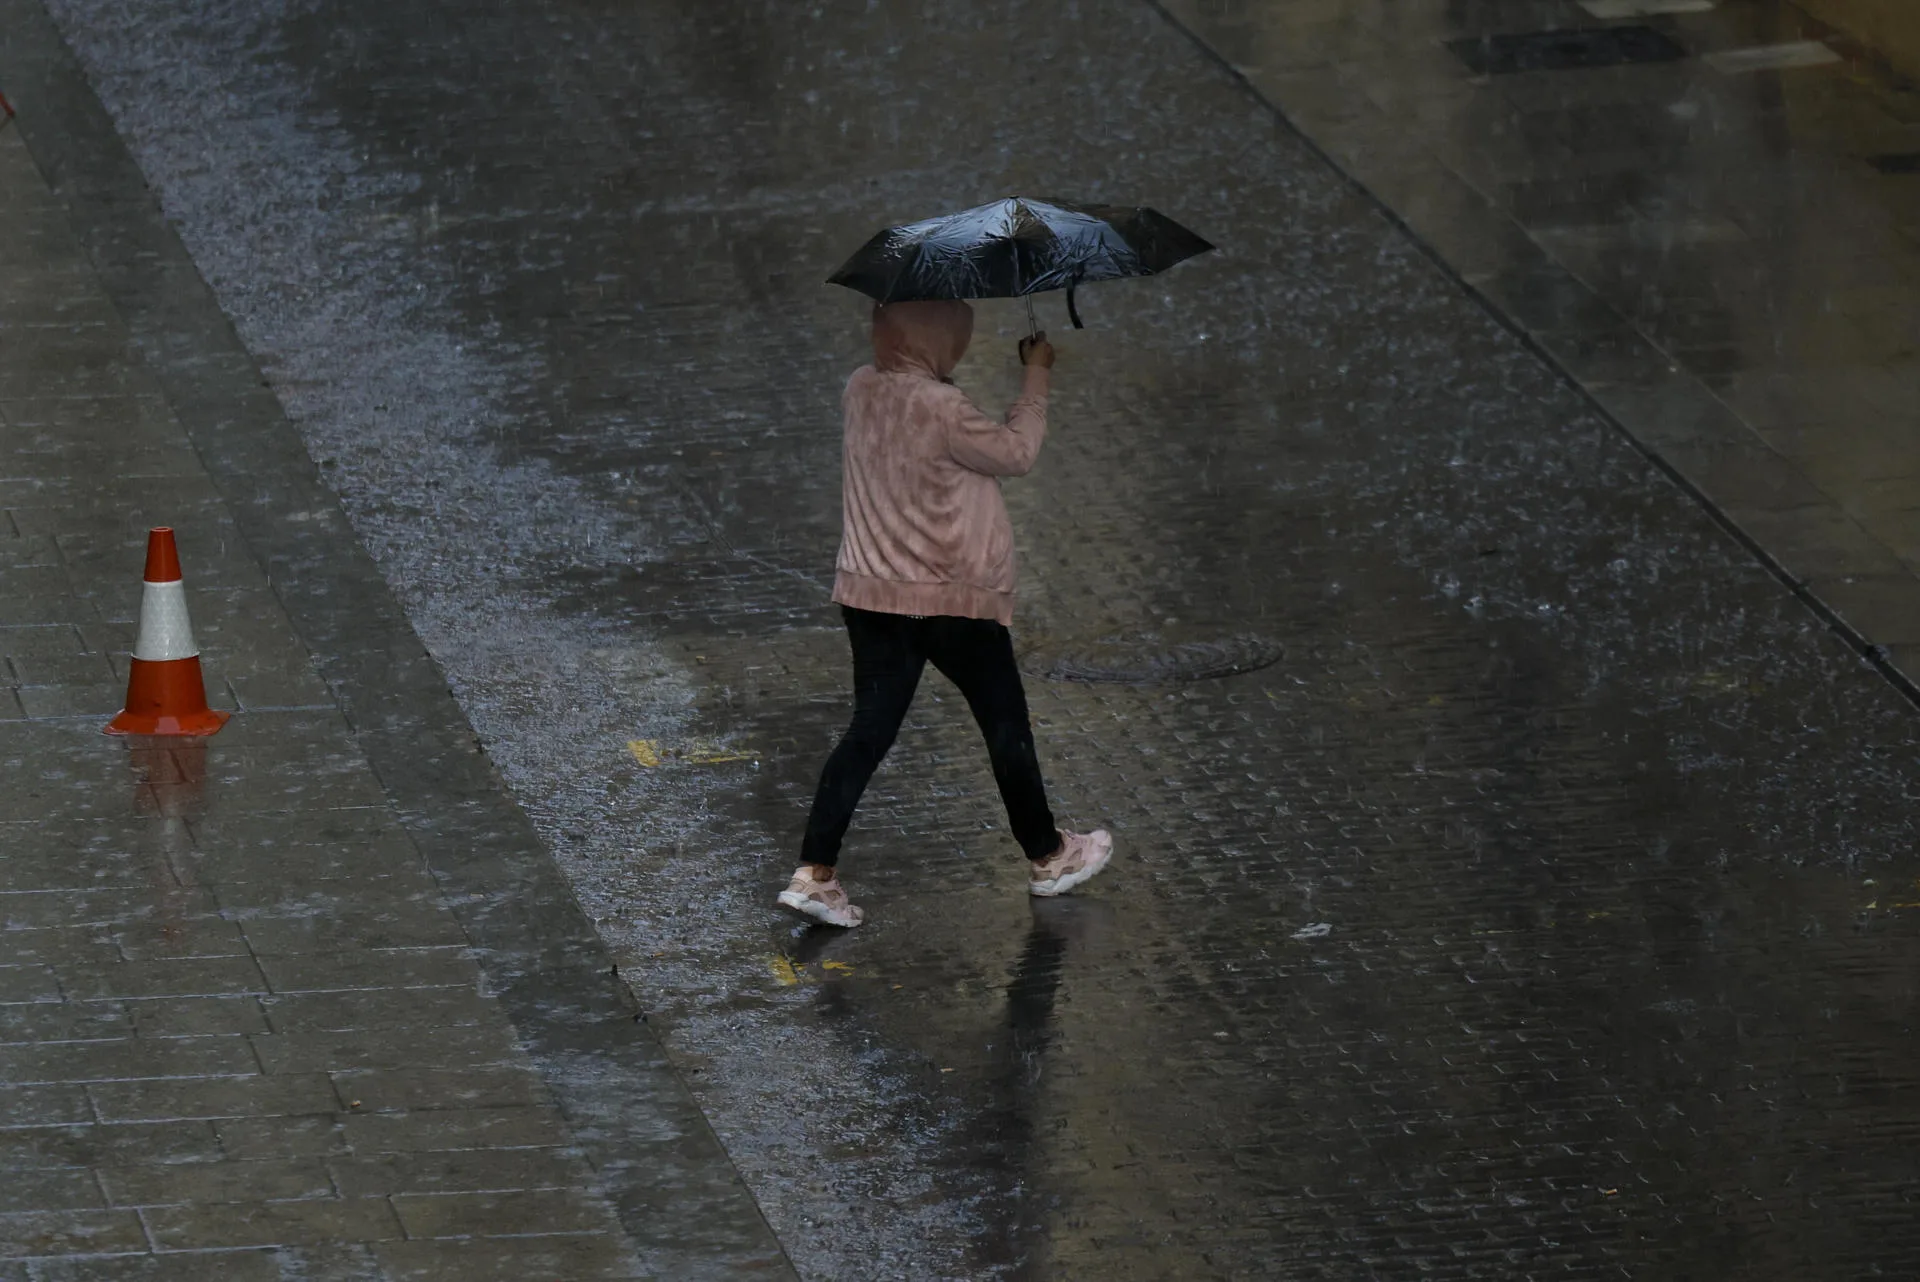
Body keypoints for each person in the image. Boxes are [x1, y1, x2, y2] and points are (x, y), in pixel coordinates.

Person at [779, 299, 1113, 929]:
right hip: (951, 598)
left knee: (867, 734)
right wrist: (1035, 372)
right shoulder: (943, 407)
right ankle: (1047, 855)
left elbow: (910, 433)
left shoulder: (860, 386)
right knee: (1003, 724)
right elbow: (1016, 454)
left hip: (872, 595)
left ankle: (814, 875)